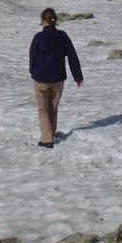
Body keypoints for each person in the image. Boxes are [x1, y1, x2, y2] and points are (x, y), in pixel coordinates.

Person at [29, 8, 83, 148]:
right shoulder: (62, 36)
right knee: (53, 108)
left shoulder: (38, 38)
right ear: (55, 21)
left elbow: (32, 58)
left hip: (41, 79)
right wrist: (78, 76)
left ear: (42, 21)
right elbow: (72, 57)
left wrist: (33, 73)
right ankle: (51, 133)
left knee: (43, 110)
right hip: (58, 79)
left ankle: (47, 139)